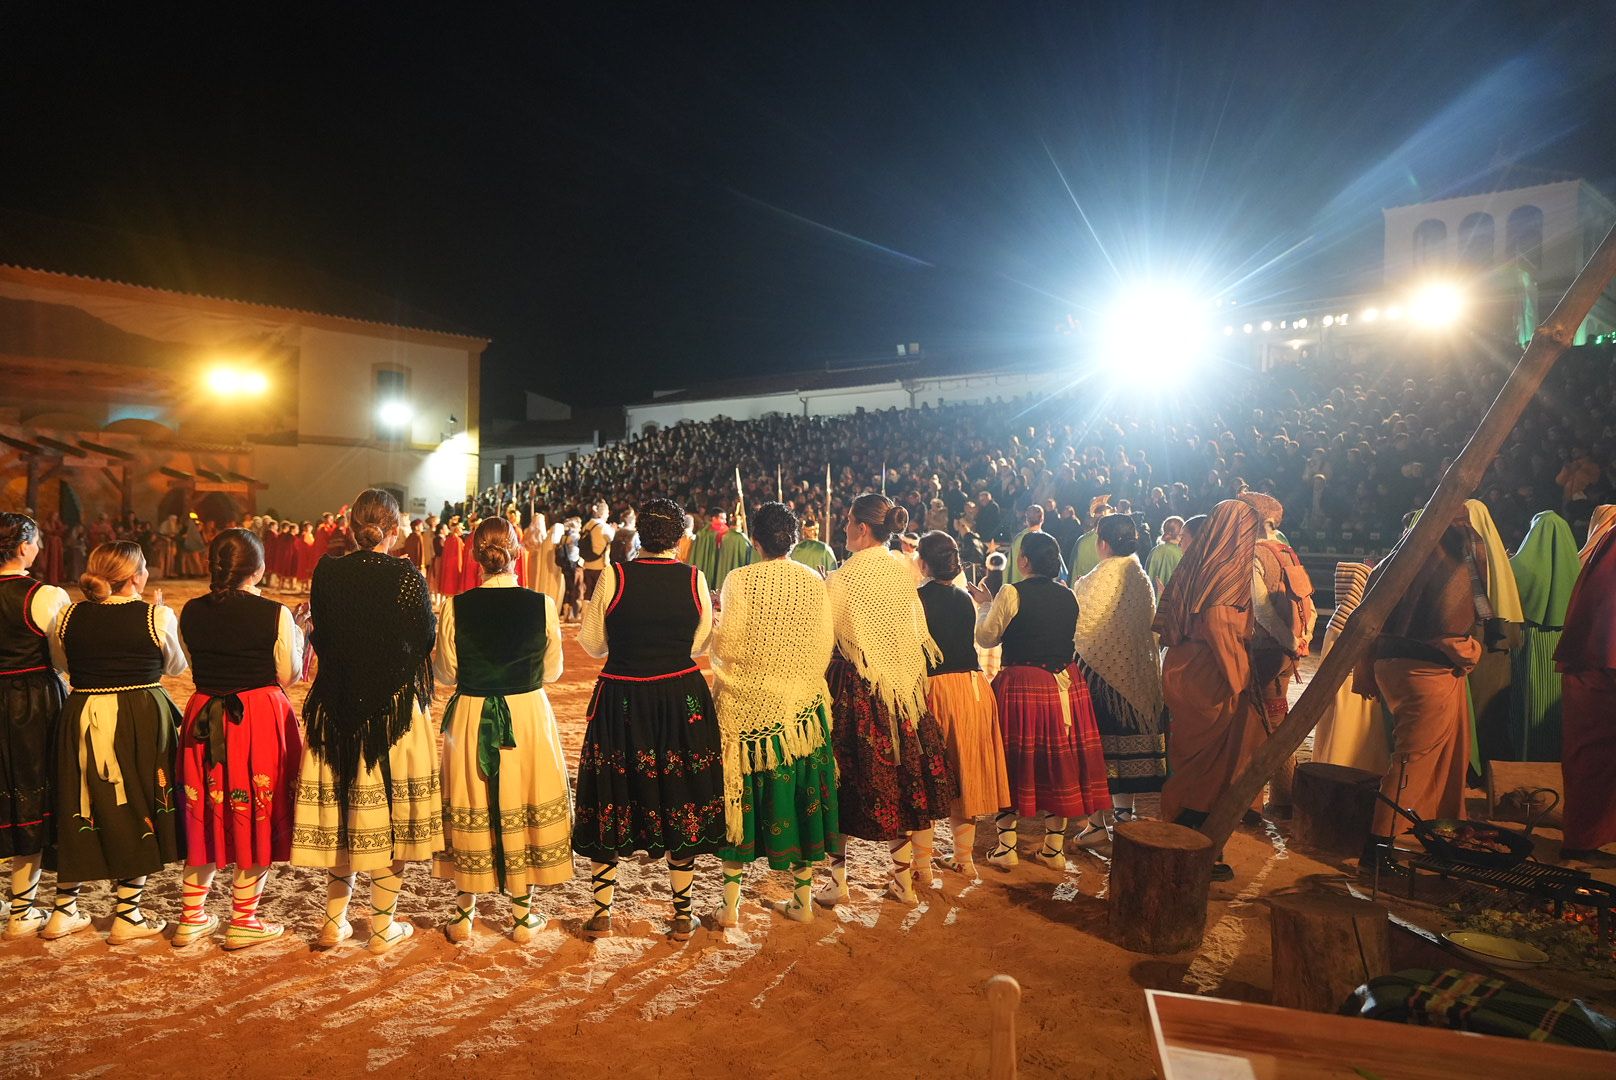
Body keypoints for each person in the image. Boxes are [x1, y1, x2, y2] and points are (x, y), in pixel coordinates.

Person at [291, 489, 440, 954]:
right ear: (394, 531)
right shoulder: (406, 576)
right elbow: (423, 639)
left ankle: (334, 923)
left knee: (343, 816)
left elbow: (326, 631)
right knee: (387, 820)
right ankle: (381, 927)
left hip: (335, 706)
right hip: (391, 710)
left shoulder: (327, 571)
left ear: (351, 527)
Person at [574, 498, 724, 940]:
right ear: (679, 538)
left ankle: (602, 912)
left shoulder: (615, 577)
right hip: (679, 695)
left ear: (641, 534)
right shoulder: (694, 578)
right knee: (679, 790)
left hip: (622, 693)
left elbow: (592, 643)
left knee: (613, 791)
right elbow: (699, 642)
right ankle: (682, 912)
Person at [434, 517, 572, 944]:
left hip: (474, 712)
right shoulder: (542, 604)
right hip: (527, 713)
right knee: (522, 799)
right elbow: (552, 670)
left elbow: (445, 672)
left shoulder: (455, 606)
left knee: (473, 802)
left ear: (476, 555)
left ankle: (463, 915)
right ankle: (522, 915)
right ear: (517, 552)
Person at [48, 541, 187, 942]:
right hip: (137, 713)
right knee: (139, 801)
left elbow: (62, 664)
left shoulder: (67, 614)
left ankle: (64, 908)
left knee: (79, 799)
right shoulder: (155, 616)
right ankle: (128, 914)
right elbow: (176, 666)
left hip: (83, 710)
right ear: (136, 576)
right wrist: (156, 612)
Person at [820, 494, 954, 907]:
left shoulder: (842, 578)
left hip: (854, 688)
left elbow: (828, 638)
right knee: (898, 777)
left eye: (846, 522)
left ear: (862, 528)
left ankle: (837, 881)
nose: (843, 529)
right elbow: (914, 635)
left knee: (841, 780)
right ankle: (903, 881)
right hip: (901, 690)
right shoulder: (902, 573)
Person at [174, 529, 304, 950]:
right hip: (257, 717)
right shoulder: (275, 613)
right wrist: (298, 633)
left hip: (205, 715)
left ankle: (192, 916)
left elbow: (196, 662)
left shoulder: (189, 611)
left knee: (206, 812)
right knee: (256, 813)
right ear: (259, 568)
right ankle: (244, 918)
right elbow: (289, 674)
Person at [710, 502, 838, 925]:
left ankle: (730, 907)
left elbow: (726, 647)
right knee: (801, 801)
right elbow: (824, 647)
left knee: (739, 801)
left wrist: (715, 626)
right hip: (799, 710)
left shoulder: (739, 580)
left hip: (745, 708)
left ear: (756, 542)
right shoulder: (813, 581)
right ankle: (802, 901)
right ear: (795, 539)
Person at [1355, 512, 1487, 868]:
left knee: (1430, 755)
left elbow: (1369, 622)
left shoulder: (1394, 563)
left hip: (1392, 668)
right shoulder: (1448, 566)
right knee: (1412, 760)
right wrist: (1473, 651)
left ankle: (1432, 828)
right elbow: (1448, 632)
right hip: (1426, 673)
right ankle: (1379, 847)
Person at [976, 530, 1109, 871]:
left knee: (1012, 760)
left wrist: (985, 605)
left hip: (1021, 683)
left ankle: (1006, 847)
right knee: (1058, 763)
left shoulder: (1010, 592)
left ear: (1023, 561)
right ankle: (1053, 849)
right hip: (1064, 683)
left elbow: (987, 638)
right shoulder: (1069, 595)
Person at [1154, 499, 1262, 881]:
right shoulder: (1225, 568)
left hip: (1187, 668)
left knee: (1192, 761)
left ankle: (1188, 843)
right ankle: (1189, 848)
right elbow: (1219, 622)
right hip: (1209, 677)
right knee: (1208, 767)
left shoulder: (1197, 560)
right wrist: (1240, 679)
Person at [916, 531, 1010, 879]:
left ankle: (922, 866)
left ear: (923, 562)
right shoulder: (962, 597)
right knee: (966, 777)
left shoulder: (917, 599)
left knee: (927, 778)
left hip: (936, 689)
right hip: (973, 689)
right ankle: (963, 858)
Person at [1071, 515, 1165, 844]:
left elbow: (1080, 629)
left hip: (1096, 679)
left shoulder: (1094, 579)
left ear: (1104, 543)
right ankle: (1123, 819)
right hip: (1136, 675)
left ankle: (1097, 824)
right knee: (1128, 750)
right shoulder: (1139, 576)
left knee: (1096, 753)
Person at [0, 514, 71, 938]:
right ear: (24, 545)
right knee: (33, 795)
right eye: (37, 542)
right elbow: (63, 657)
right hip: (31, 700)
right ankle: (23, 909)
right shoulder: (43, 596)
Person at [1554, 518, 1616, 859]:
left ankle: (1584, 839)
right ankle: (1581, 841)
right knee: (1592, 761)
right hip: (1600, 670)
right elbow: (1609, 619)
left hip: (1596, 665)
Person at [1507, 511, 1579, 761]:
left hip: (1533, 639)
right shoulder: (1578, 566)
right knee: (1555, 704)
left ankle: (1527, 757)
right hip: (1562, 642)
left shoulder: (1521, 567)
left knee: (1529, 699)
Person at [1311, 561, 1389, 774]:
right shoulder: (1351, 625)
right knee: (1350, 736)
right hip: (1350, 690)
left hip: (1339, 691)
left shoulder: (1336, 622)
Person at [1464, 499, 1524, 771]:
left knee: (1481, 708)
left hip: (1483, 640)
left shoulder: (1471, 550)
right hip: (1495, 639)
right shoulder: (1497, 558)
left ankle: (1481, 767)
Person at [578, 499, 616, 601]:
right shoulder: (604, 527)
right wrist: (614, 530)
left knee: (588, 593)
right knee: (600, 595)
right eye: (607, 513)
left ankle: (585, 614)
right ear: (603, 513)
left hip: (587, 564)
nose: (608, 515)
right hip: (600, 565)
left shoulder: (587, 525)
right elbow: (612, 539)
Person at [1004, 505, 1046, 586]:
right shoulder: (1047, 540)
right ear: (1042, 519)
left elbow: (1009, 567)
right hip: (1041, 590)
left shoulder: (1018, 540)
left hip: (1018, 591)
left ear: (1026, 519)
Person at [1146, 516, 1186, 597]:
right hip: (1170, 603)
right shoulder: (1180, 553)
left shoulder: (1155, 550)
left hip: (1151, 600)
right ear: (1180, 533)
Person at [687, 508, 728, 586]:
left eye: (725, 519)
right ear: (714, 518)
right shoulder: (703, 534)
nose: (725, 522)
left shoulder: (727, 533)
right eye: (722, 518)